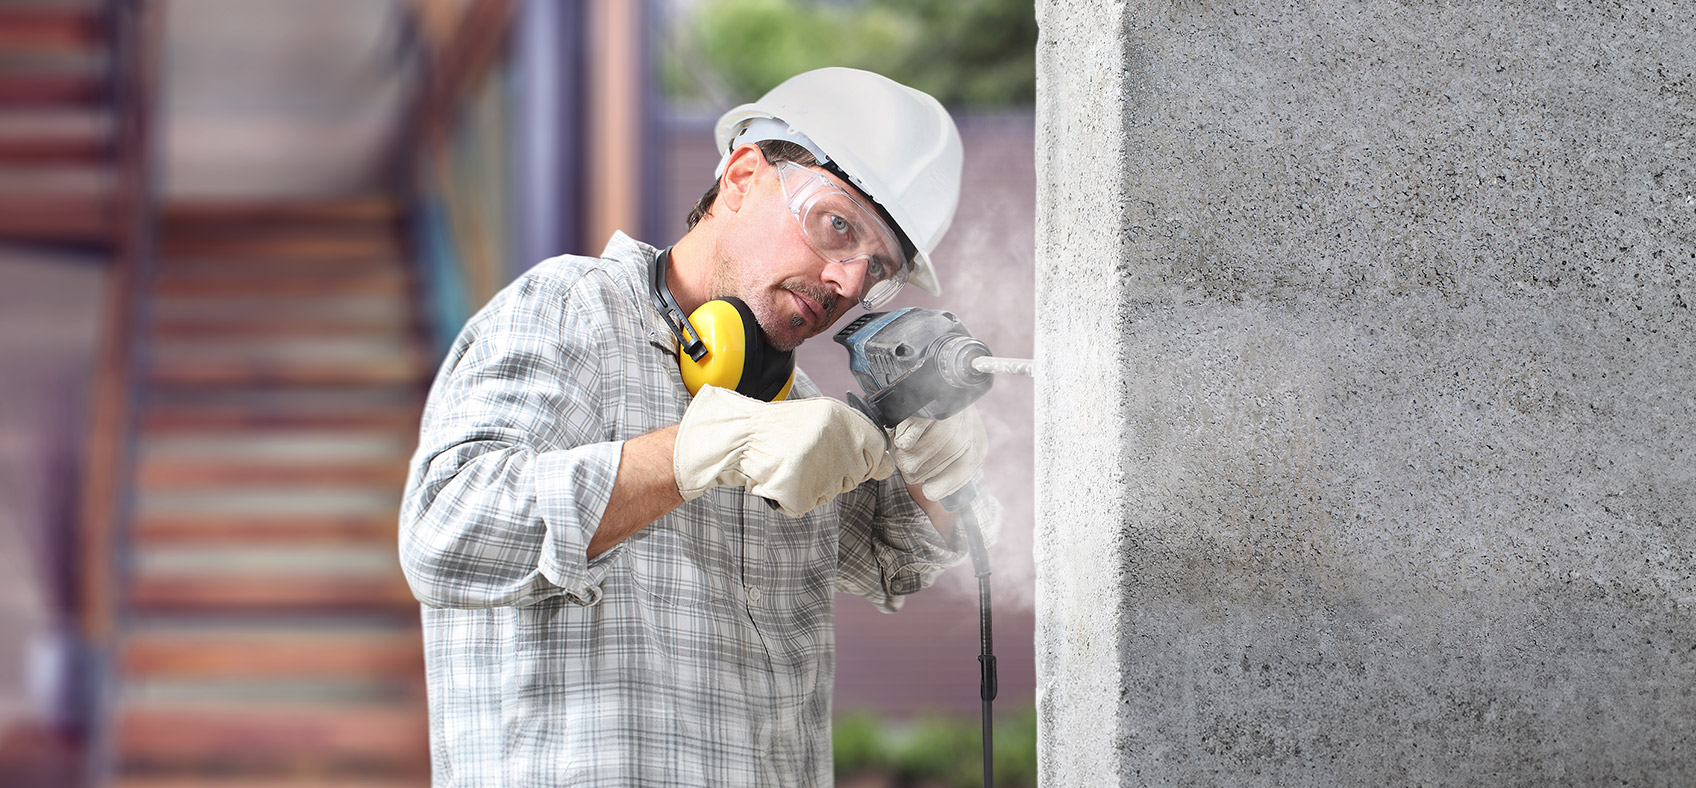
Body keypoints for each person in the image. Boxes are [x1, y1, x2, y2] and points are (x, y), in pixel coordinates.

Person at [399, 67, 999, 787]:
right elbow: (445, 532)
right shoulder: (571, 311)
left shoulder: (794, 407)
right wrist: (694, 454)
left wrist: (934, 475)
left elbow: (891, 560)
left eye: (877, 269)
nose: (846, 283)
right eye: (837, 225)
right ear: (742, 177)